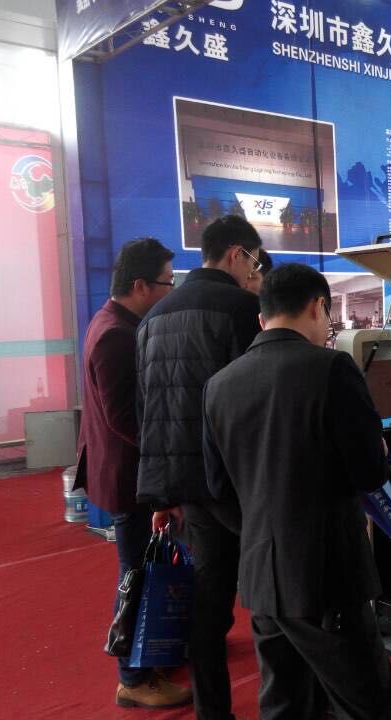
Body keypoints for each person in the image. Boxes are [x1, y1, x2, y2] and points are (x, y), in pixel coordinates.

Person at [202, 264, 391, 720]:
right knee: (367, 704)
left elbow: (218, 489)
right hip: (326, 579)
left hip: (262, 579)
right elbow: (370, 474)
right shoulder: (331, 369)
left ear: (262, 318)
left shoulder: (218, 385)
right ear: (318, 307)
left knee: (286, 703)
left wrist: (263, 536)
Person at [136, 215, 263, 720]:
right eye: (253, 261)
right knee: (273, 592)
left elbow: (149, 410)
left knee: (209, 604)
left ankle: (213, 711)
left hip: (187, 485)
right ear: (236, 254)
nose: (254, 272)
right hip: (237, 480)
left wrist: (162, 495)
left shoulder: (153, 318)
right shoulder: (241, 308)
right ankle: (291, 702)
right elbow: (254, 399)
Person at [74, 238, 191, 709]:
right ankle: (134, 678)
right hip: (130, 477)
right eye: (167, 282)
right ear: (141, 285)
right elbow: (126, 418)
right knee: (138, 574)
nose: (170, 291)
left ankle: (149, 657)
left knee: (144, 567)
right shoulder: (116, 336)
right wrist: (170, 455)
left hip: (126, 472)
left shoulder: (113, 323)